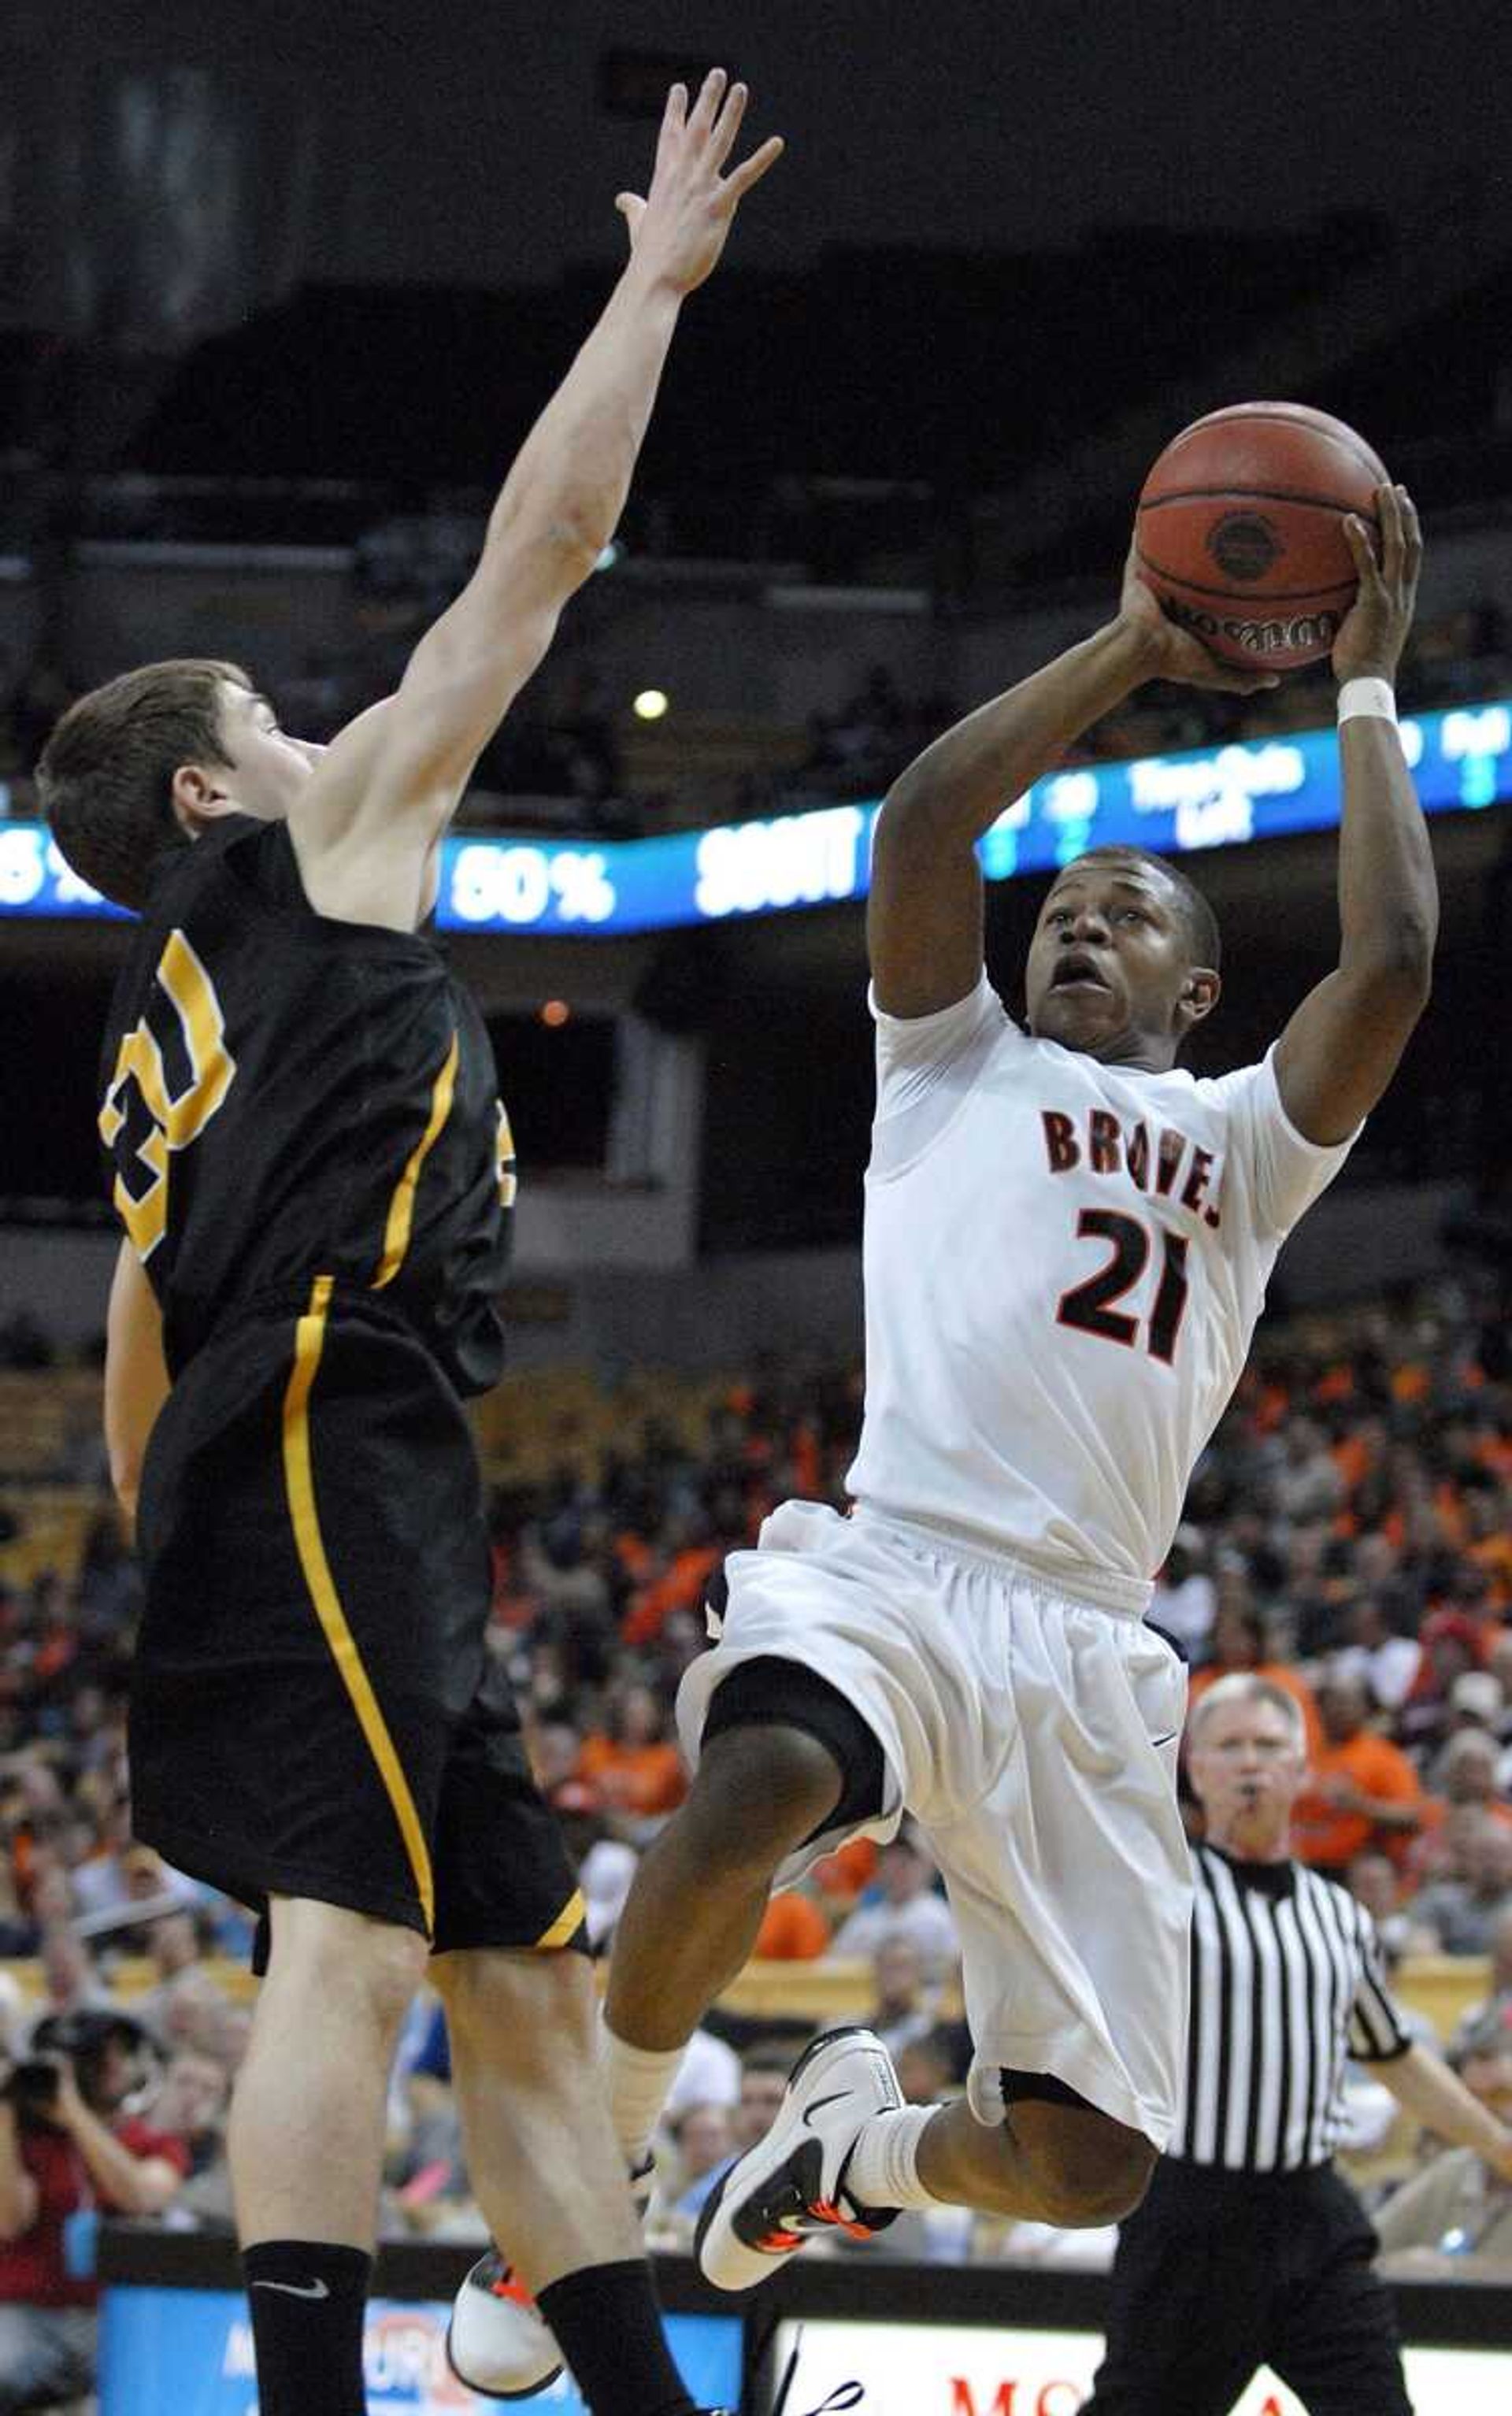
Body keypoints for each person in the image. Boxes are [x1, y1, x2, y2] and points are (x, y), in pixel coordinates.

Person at [36, 69, 780, 2416]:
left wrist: (168, 1528)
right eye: (261, 709)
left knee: (528, 1982)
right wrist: (650, 291)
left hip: (324, 1463)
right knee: (344, 1950)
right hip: (331, 1438)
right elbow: (540, 548)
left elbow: (140, 1326)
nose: (309, 719)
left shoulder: (162, 1024)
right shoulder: (315, 848)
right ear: (202, 787)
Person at [587, 484, 1438, 2309]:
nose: (1076, 926)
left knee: (1087, 2162)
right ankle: (594, 2155)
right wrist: (1134, 644)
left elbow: (1390, 960)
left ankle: (854, 2155)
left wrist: (1366, 687)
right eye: (1060, 906)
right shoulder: (947, 1060)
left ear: (1195, 984)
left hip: (1084, 1650)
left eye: (1122, 914)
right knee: (757, 1781)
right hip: (896, 1568)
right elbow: (921, 822)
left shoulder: (1246, 1141)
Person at [1082, 1676, 1512, 2414]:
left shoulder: (1340, 1917)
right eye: (1230, 1747)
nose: (1251, 1764)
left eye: (1269, 1746)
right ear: (1196, 1770)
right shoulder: (1158, 1892)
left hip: (1312, 2217)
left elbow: (1395, 2055)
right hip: (1191, 2215)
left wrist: (1500, 2147)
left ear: (1302, 1769)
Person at [0, 2011, 187, 2412]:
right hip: (26, 2314)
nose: (114, 2066)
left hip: (120, 2317)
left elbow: (141, 2195)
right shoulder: (28, 2141)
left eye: (120, 2054)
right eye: (102, 2056)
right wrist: (4, 2115)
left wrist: (76, 2117)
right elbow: (9, 2221)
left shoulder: (149, 2141)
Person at [1292, 1673, 1426, 1877]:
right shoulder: (1300, 1750)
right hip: (1297, 1864)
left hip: (1349, 1869)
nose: (1339, 1711)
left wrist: (1360, 1805)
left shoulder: (1383, 1756)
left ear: (1364, 1709)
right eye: (1333, 1703)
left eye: (1347, 1704)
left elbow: (1411, 1817)